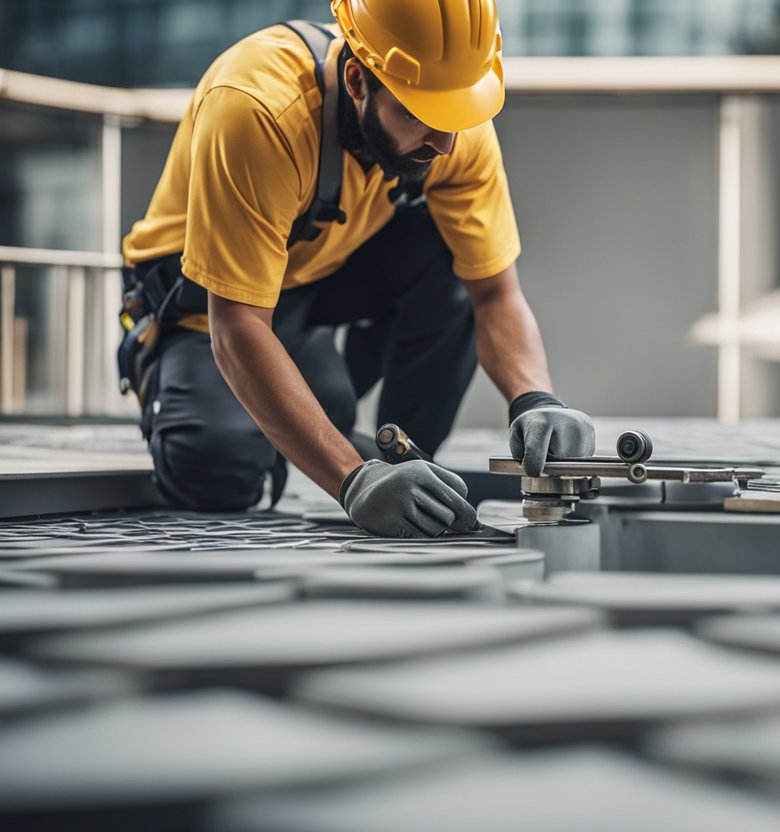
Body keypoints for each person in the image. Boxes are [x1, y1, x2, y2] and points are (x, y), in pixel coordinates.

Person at [119, 0, 594, 537]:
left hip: (309, 281)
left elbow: (492, 293)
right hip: (200, 310)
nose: (444, 143)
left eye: (456, 116)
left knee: (453, 261)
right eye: (416, 116)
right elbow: (238, 326)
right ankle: (348, 461)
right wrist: (351, 480)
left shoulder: (452, 122)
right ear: (356, 81)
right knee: (216, 467)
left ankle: (409, 473)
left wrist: (535, 399)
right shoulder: (257, 108)